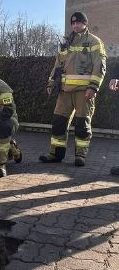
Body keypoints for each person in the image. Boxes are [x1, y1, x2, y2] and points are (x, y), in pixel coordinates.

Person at [39, 11, 107, 166]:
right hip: (64, 90)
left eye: (79, 23)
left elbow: (99, 66)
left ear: (85, 24)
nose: (76, 25)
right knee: (58, 122)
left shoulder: (94, 42)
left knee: (82, 124)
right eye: (73, 23)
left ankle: (80, 156)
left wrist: (94, 87)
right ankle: (55, 154)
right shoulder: (66, 43)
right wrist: (51, 83)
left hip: (84, 91)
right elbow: (58, 65)